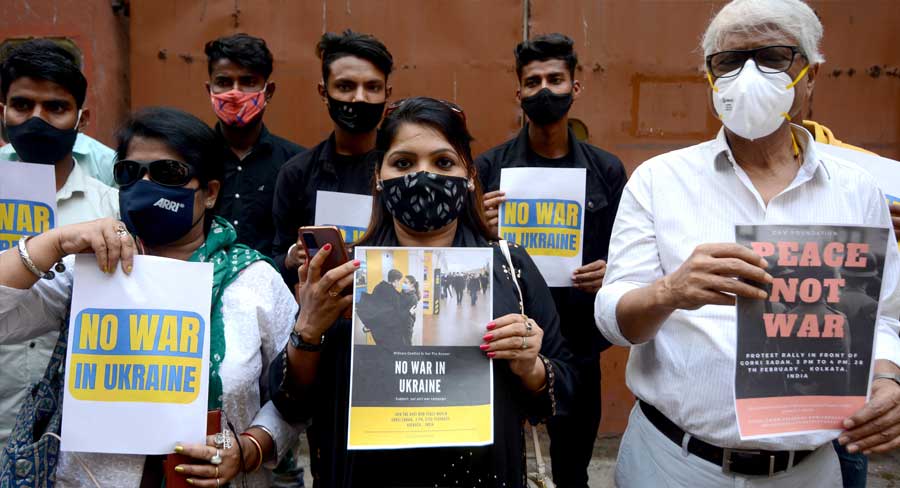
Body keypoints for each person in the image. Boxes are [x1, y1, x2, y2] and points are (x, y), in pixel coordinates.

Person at [595, 1, 900, 486]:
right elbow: (614, 319)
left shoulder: (857, 189)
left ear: (811, 74)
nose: (749, 74)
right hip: (673, 464)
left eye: (774, 56)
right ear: (710, 79)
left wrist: (887, 377)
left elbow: (882, 313)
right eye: (730, 61)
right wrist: (669, 292)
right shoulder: (659, 180)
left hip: (808, 470)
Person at [269, 97, 578, 487]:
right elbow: (290, 401)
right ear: (378, 177)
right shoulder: (344, 274)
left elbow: (566, 388)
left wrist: (531, 366)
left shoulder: (509, 266)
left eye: (443, 162)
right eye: (403, 163)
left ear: (468, 174)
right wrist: (308, 329)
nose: (423, 175)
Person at [0, 107, 298, 487]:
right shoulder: (91, 270)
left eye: (167, 173)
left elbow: (295, 397)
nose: (144, 183)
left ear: (209, 193)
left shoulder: (255, 282)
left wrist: (249, 448)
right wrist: (53, 243)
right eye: (129, 172)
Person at [476, 33, 627, 487]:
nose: (545, 90)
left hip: (579, 345)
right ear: (518, 92)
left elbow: (629, 253)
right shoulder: (489, 167)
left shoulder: (606, 170)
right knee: (501, 463)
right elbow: (460, 253)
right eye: (533, 81)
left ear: (575, 88)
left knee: (572, 469)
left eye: (556, 79)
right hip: (506, 343)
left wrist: (611, 272)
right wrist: (479, 227)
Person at [0, 39, 119, 448]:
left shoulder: (111, 209)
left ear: (82, 119)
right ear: (3, 112)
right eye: (23, 105)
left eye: (55, 108)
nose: (37, 120)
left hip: (69, 433)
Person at [272, 30, 393, 287]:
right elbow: (278, 258)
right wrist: (294, 256)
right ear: (323, 92)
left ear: (387, 93)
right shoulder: (297, 173)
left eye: (372, 87)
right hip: (323, 317)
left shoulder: (405, 169)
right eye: (345, 86)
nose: (359, 98)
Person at [205, 33, 304, 258]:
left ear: (268, 92)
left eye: (248, 82)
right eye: (224, 82)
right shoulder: (194, 158)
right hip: (203, 287)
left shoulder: (295, 164)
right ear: (209, 90)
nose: (235, 93)